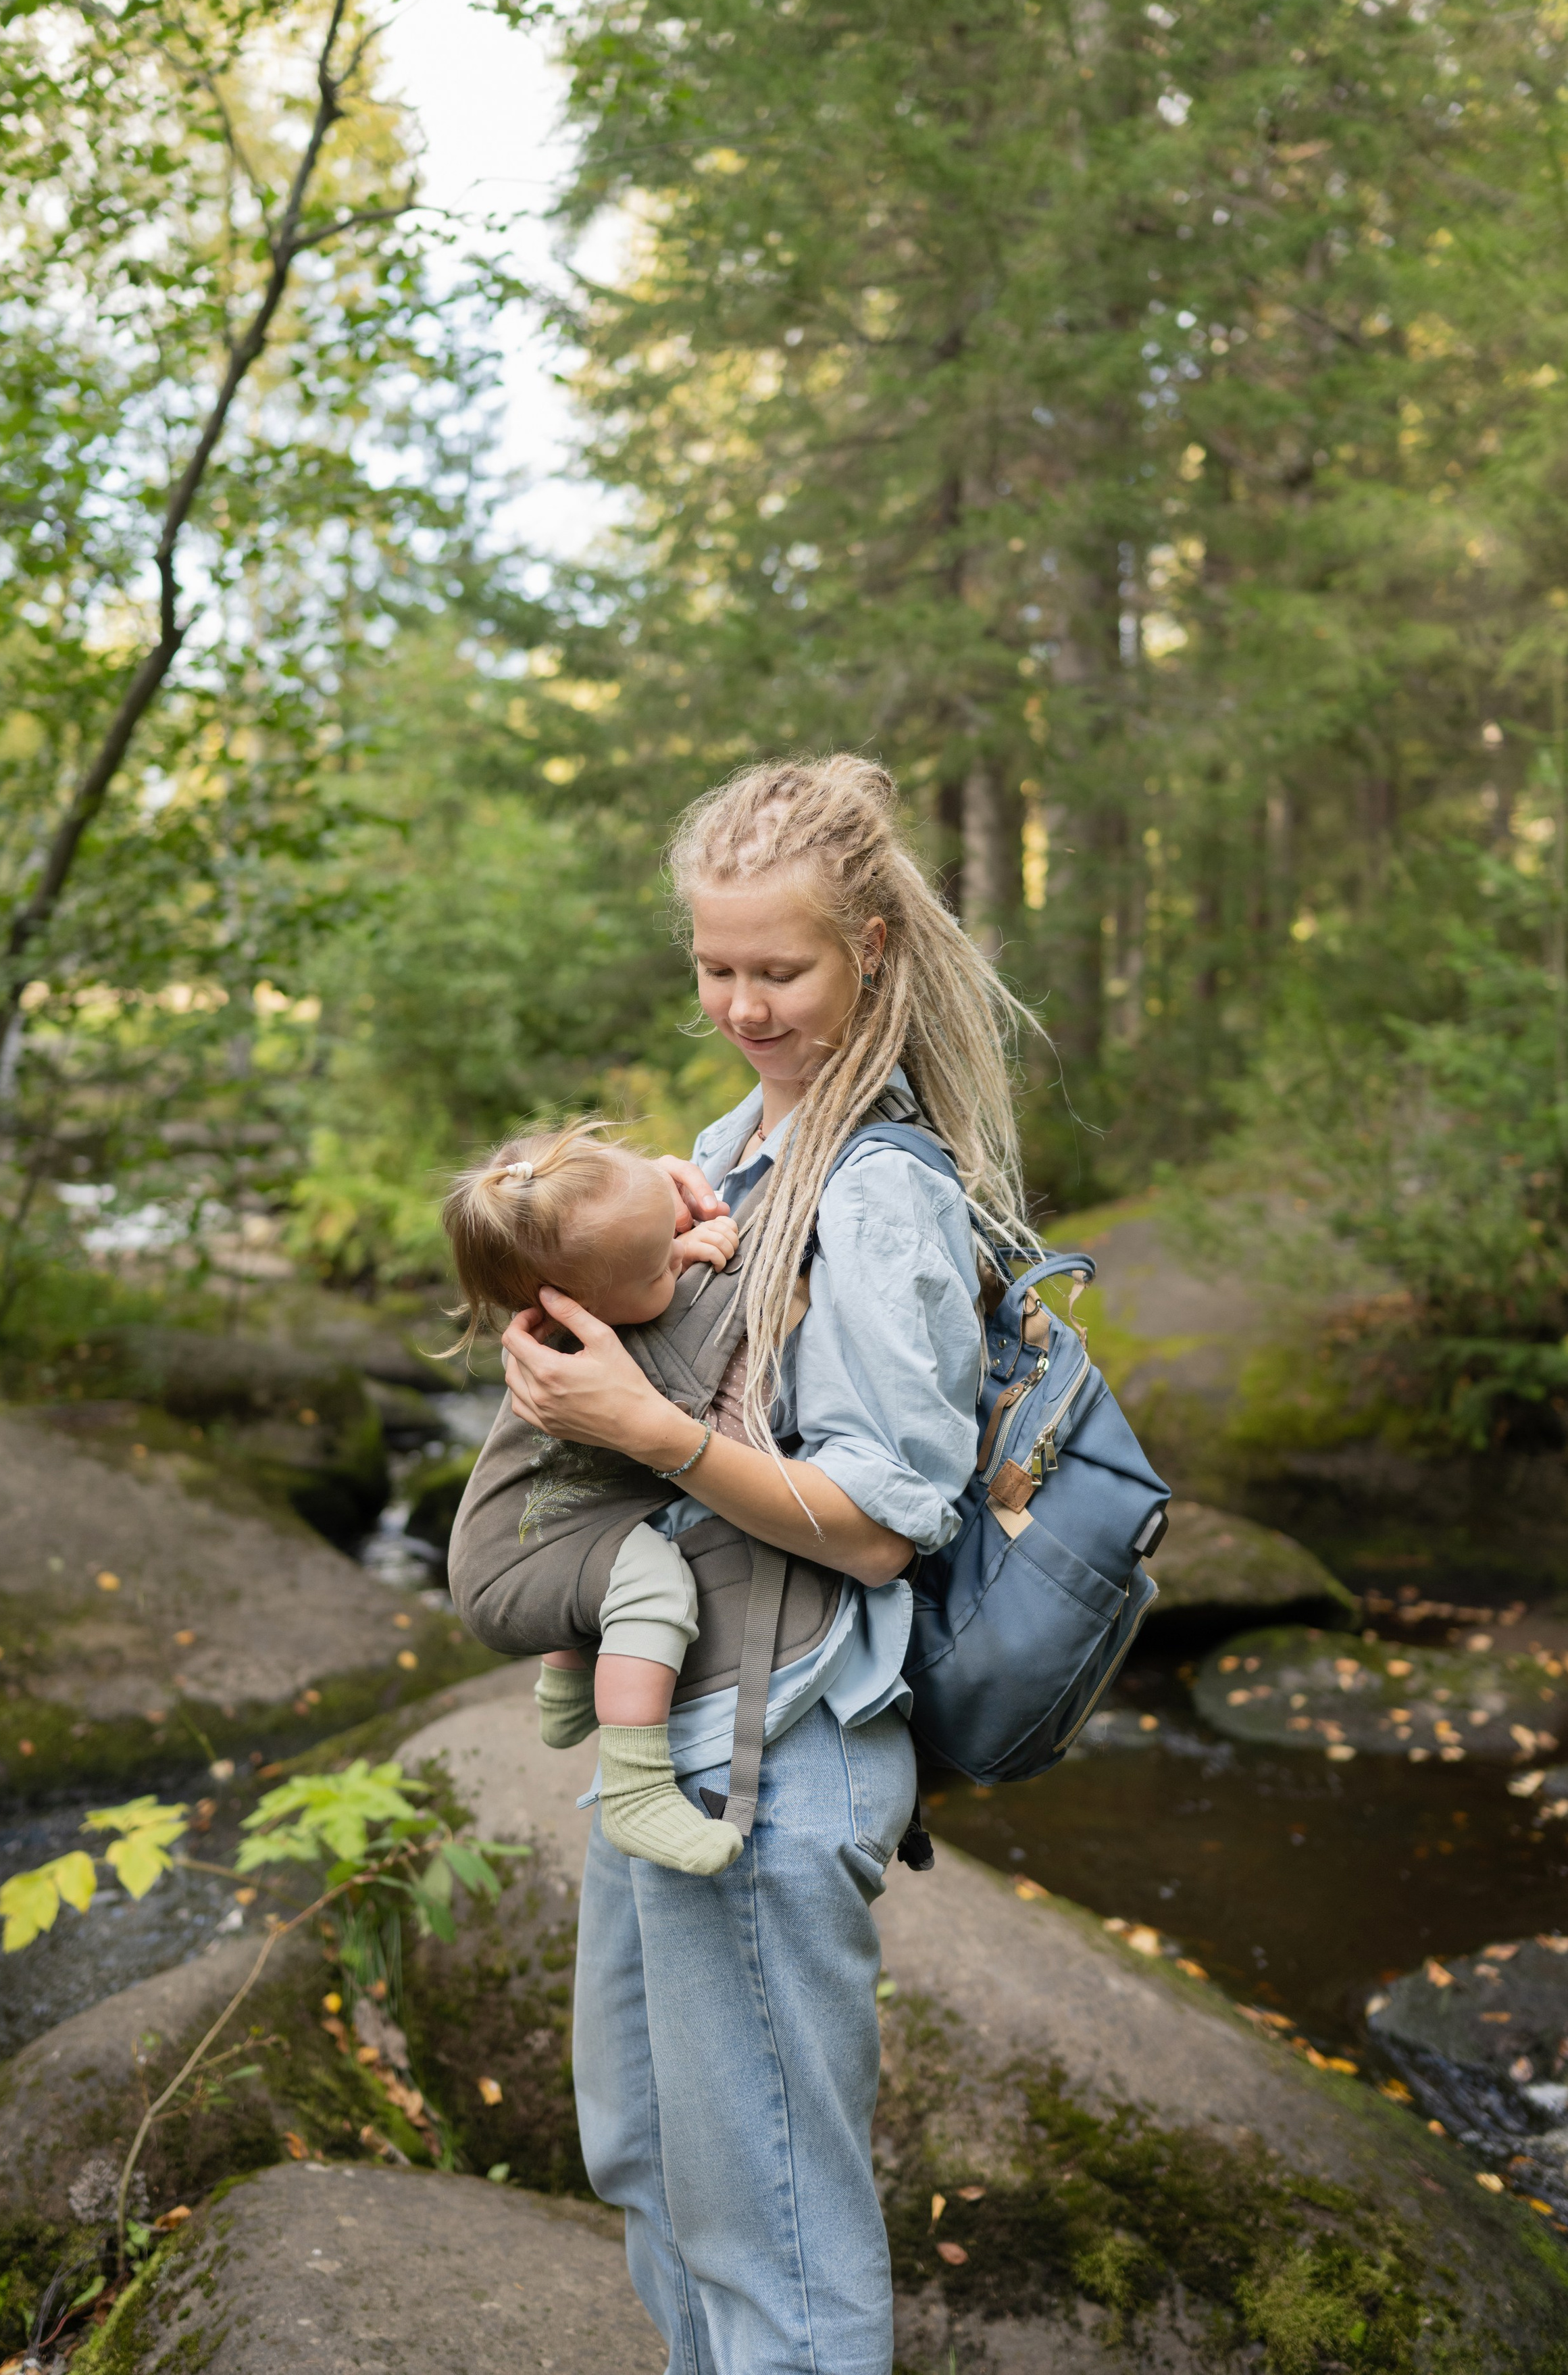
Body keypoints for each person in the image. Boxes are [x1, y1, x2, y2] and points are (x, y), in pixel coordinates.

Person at [498, 755, 1035, 2375]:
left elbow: (880, 1518)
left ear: (868, 944)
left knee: (772, 2222)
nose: (738, 1002)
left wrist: (644, 1434)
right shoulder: (736, 1140)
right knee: (653, 2157)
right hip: (687, 1731)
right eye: (713, 966)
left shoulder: (876, 1189)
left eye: (775, 969)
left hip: (778, 1756)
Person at [442, 1122, 750, 1877]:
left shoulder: (581, 1312)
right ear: (569, 1308)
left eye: (668, 1245)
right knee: (653, 1581)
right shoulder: (585, 1361)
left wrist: (667, 1252)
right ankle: (636, 1790)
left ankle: (569, 1683)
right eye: (657, 1270)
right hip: (508, 1570)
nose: (675, 1269)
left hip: (541, 1543)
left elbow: (628, 1288)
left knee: (611, 1532)